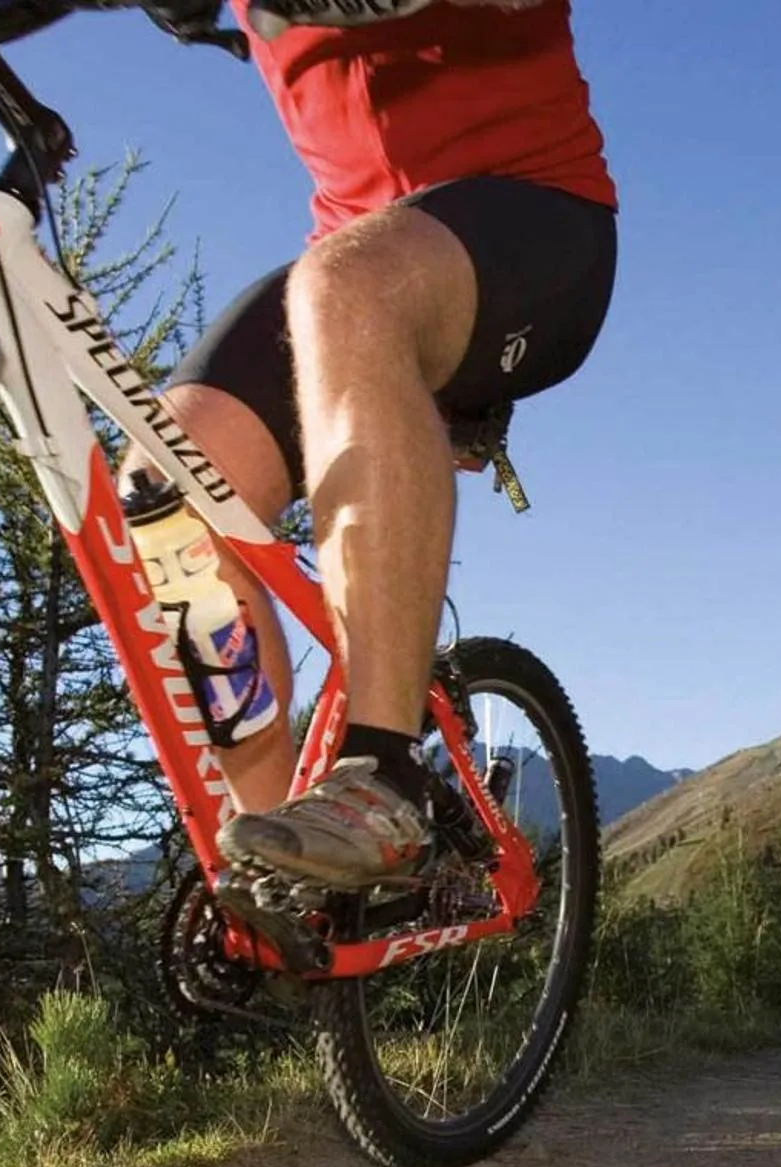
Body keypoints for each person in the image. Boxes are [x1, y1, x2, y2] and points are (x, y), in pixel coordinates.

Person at [101, 0, 617, 905]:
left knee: (345, 286)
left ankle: (383, 776)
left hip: (540, 224)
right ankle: (273, 861)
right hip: (353, 258)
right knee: (165, 484)